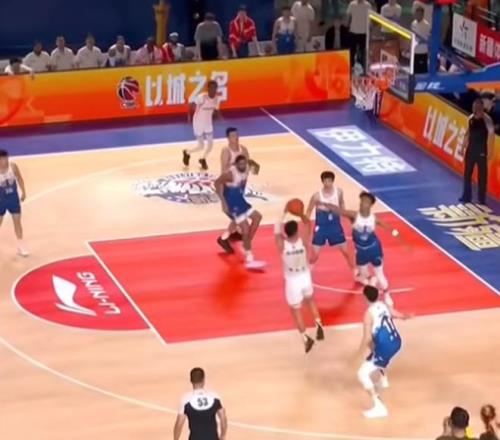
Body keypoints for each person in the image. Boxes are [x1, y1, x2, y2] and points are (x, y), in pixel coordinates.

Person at [322, 191, 401, 307]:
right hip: (361, 251)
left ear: (370, 205)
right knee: (364, 275)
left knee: (380, 274)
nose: (362, 203)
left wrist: (400, 237)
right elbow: (340, 211)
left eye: (366, 202)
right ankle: (370, 279)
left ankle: (387, 294)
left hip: (374, 249)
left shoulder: (374, 219)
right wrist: (326, 204)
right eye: (362, 201)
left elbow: (390, 229)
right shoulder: (354, 215)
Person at [356, 285, 411, 418]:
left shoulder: (368, 314)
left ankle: (379, 407)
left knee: (362, 373)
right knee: (374, 349)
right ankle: (383, 379)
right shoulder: (383, 305)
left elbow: (367, 338)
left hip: (386, 347)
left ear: (365, 298)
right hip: (397, 342)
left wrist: (356, 354)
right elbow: (399, 315)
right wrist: (407, 316)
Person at [274, 208, 324, 353]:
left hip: (293, 280)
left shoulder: (282, 244)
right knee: (311, 301)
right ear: (296, 231)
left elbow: (276, 229)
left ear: (286, 232)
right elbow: (308, 224)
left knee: (296, 310)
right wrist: (300, 214)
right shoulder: (303, 240)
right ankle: (319, 325)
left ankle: (306, 338)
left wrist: (284, 212)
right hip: (305, 276)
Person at [214, 154, 263, 269]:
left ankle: (245, 243)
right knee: (245, 228)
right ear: (236, 165)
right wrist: (223, 202)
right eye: (240, 164)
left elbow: (254, 166)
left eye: (244, 164)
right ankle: (249, 256)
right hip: (232, 203)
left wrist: (255, 165)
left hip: (240, 200)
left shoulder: (247, 166)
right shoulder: (230, 174)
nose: (243, 166)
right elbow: (216, 183)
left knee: (257, 217)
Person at [217, 127, 260, 253]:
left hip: (239, 189)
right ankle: (225, 238)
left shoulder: (243, 149)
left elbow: (247, 169)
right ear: (228, 138)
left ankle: (230, 235)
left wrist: (254, 167)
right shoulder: (226, 151)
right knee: (240, 217)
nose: (236, 137)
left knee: (238, 217)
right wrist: (223, 200)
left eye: (237, 135)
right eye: (233, 136)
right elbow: (224, 172)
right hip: (229, 190)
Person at [305, 171, 356, 276]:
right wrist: (305, 223)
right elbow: (309, 210)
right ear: (322, 181)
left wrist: (346, 215)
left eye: (329, 181)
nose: (327, 183)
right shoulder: (316, 196)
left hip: (335, 225)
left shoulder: (339, 192)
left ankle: (355, 271)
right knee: (315, 254)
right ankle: (307, 271)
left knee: (346, 251)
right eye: (325, 181)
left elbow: (341, 203)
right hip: (321, 226)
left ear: (333, 181)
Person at [173, 367, 227, 440]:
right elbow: (223, 418)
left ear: (191, 380)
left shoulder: (186, 400)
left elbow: (179, 424)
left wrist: (175, 438)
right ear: (203, 380)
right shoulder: (215, 397)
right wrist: (222, 435)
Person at [460, 99, 495, 205]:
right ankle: (466, 196)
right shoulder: (471, 118)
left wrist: (490, 151)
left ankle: (481, 198)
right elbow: (467, 133)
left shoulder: (487, 120)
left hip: (481, 151)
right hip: (471, 150)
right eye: (474, 108)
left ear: (482, 109)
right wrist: (463, 147)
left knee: (482, 177)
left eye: (478, 108)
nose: (476, 110)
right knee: (467, 174)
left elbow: (491, 136)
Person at [183, 80, 221, 171]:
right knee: (201, 146)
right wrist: (189, 117)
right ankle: (187, 152)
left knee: (210, 145)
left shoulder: (217, 99)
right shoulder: (202, 97)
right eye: (211, 88)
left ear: (216, 89)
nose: (213, 90)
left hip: (208, 124)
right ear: (208, 89)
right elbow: (192, 105)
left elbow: (216, 111)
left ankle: (203, 159)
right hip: (198, 123)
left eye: (214, 88)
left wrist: (219, 116)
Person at [0, 150, 28, 257]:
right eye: (2, 159)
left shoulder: (13, 167)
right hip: (1, 201)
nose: (5, 161)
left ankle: (21, 245)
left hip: (13, 199)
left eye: (6, 158)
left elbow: (20, 178)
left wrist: (23, 192)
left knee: (17, 223)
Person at [345, 0, 372, 70]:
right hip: (353, 31)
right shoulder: (352, 4)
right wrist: (347, 26)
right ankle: (351, 67)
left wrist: (369, 29)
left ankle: (363, 68)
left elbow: (370, 19)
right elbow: (348, 17)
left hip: (364, 32)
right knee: (352, 52)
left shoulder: (368, 5)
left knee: (363, 52)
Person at [411, 7, 431, 74]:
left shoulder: (426, 25)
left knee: (423, 70)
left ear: (422, 15)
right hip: (415, 50)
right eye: (417, 14)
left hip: (423, 51)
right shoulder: (413, 23)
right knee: (415, 69)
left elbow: (428, 38)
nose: (418, 16)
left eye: (419, 14)